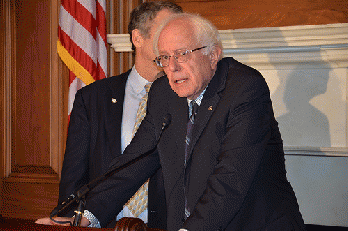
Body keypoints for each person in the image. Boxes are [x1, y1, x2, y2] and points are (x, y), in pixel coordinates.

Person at [39, 13, 306, 231]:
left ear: (213, 55)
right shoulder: (164, 94)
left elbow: (230, 180)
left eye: (182, 54)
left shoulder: (244, 88)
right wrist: (86, 216)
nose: (172, 67)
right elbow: (132, 164)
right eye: (165, 57)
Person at [35, 2, 182, 229]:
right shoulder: (92, 98)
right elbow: (75, 174)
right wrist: (70, 220)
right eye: (166, 32)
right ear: (138, 38)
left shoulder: (186, 96)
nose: (175, 42)